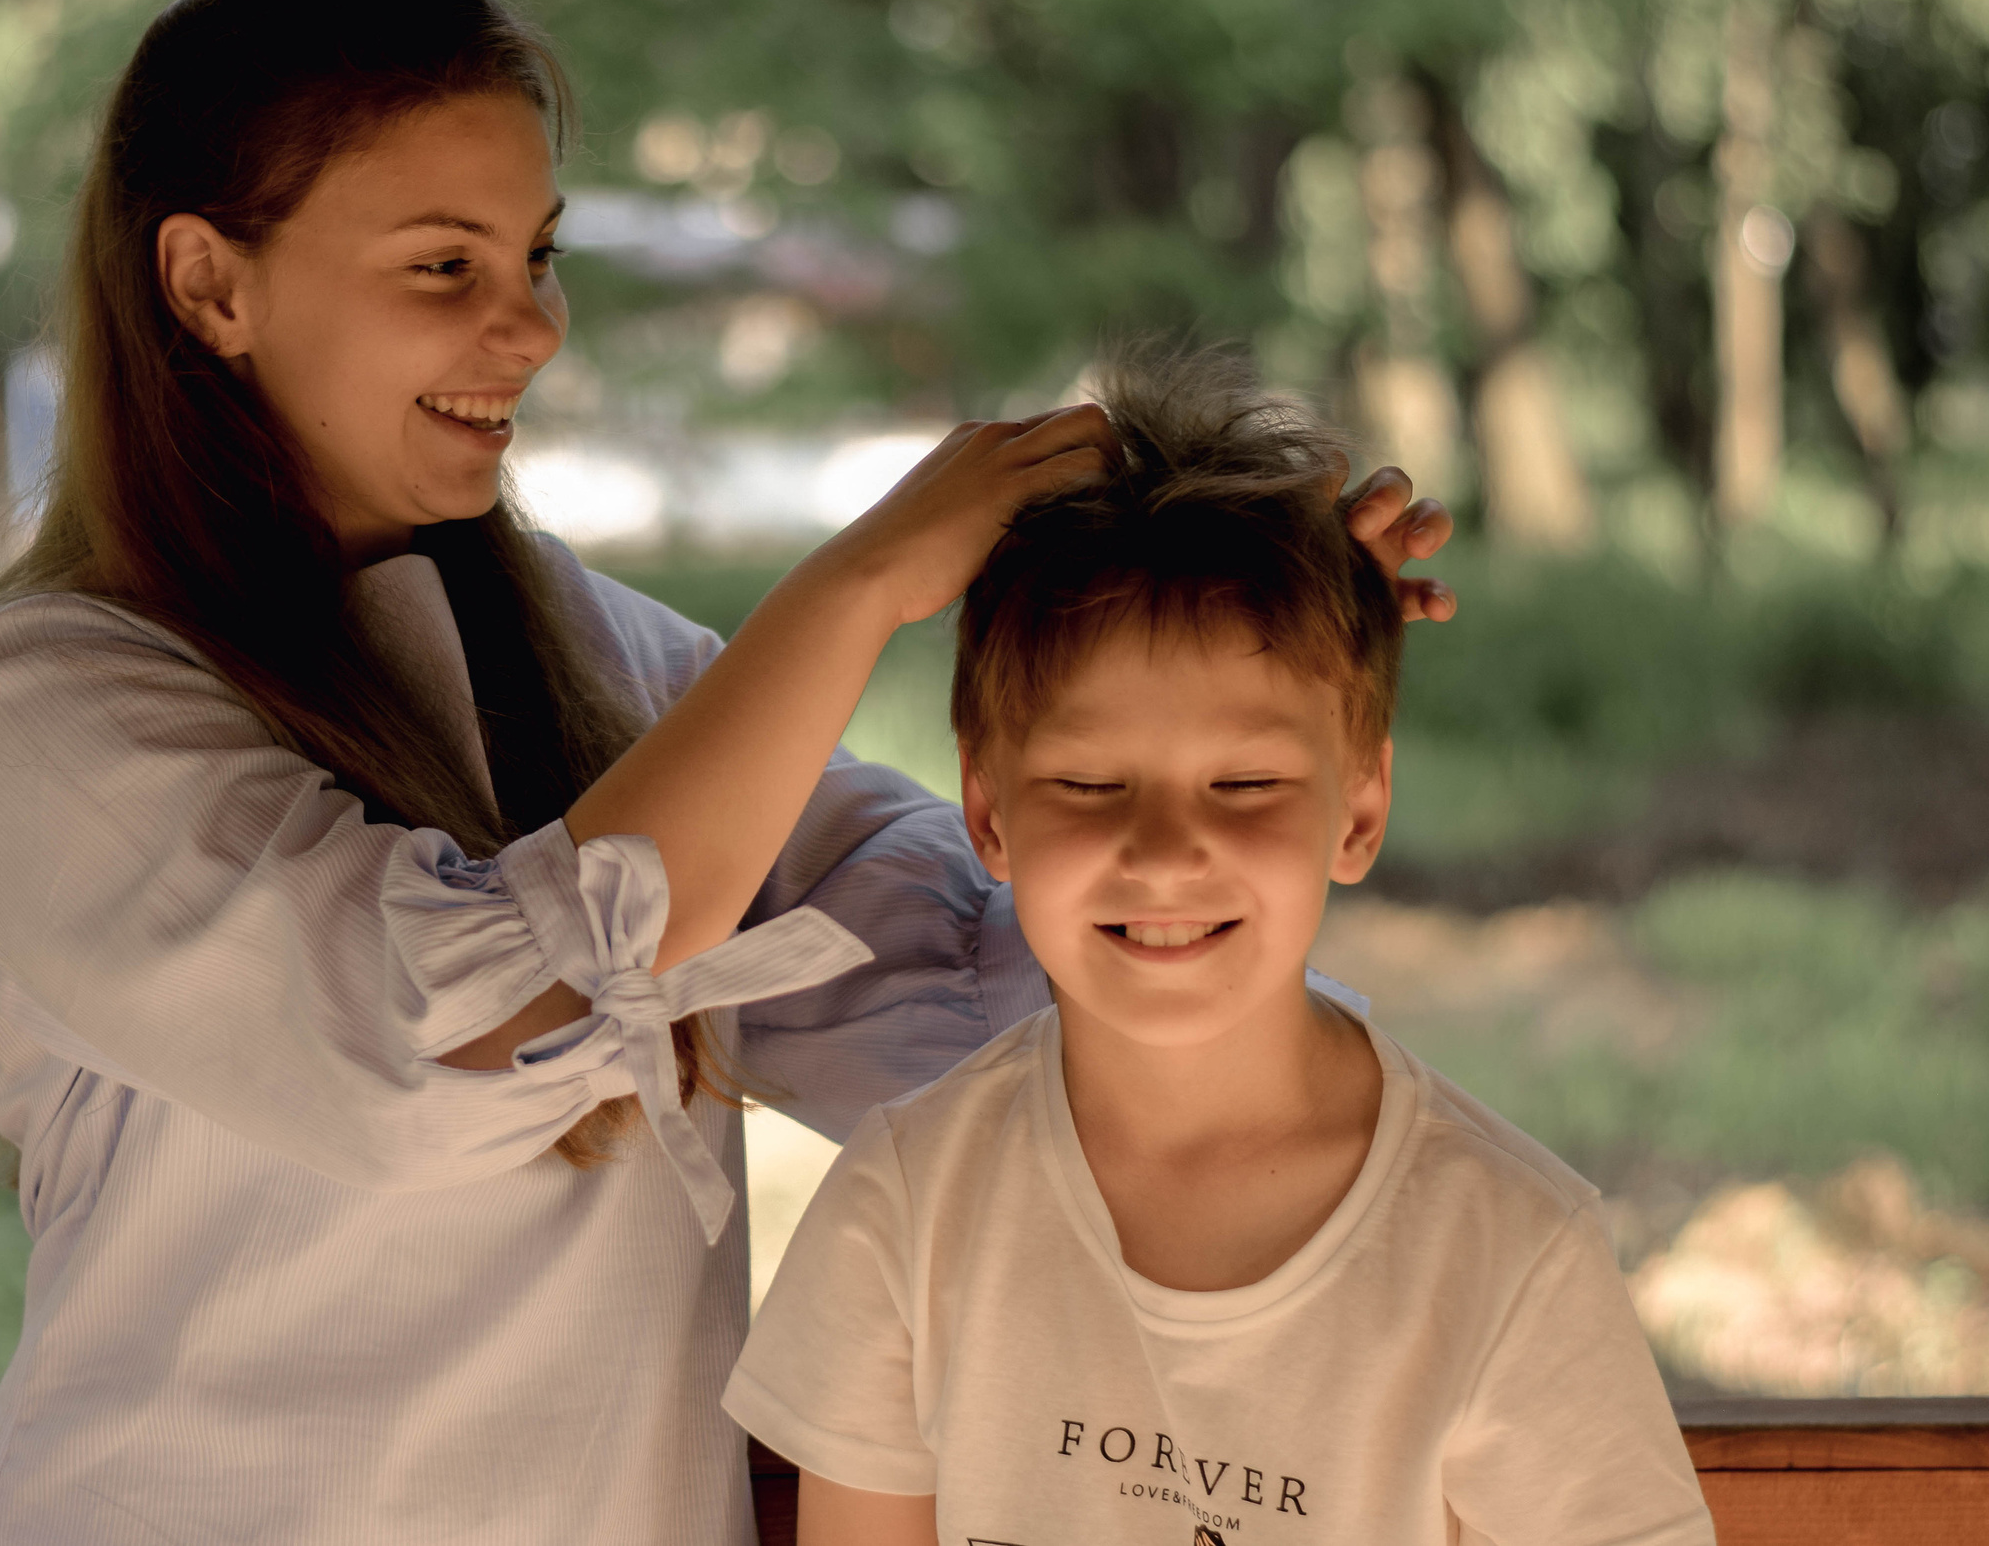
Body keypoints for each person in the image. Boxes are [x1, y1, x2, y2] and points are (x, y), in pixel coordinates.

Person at [0, 0, 1453, 1546]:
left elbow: (990, 1005)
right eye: (444, 266)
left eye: (537, 255)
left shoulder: (602, 660)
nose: (530, 327)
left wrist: (1230, 651)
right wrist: (855, 587)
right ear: (209, 284)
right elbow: (439, 1047)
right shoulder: (39, 702)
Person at [725, 346, 1711, 1546]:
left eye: (1243, 784)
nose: (1162, 850)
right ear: (988, 813)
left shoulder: (1504, 1250)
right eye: (1089, 784)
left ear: (1357, 811)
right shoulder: (903, 1206)